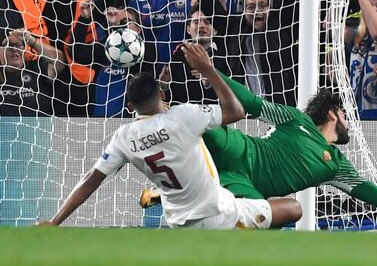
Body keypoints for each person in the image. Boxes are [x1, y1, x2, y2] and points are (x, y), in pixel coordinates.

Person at [139, 71, 377, 232]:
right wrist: (213, 72)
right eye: (345, 115)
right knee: (204, 123)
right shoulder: (295, 120)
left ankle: (177, 188)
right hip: (242, 151)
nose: (348, 123)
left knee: (276, 217)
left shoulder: (338, 167)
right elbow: (251, 103)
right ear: (332, 114)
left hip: (239, 183)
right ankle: (157, 113)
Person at [37, 44, 302, 229]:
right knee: (293, 208)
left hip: (179, 222)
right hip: (219, 216)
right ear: (162, 95)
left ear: (129, 106)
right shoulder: (185, 115)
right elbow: (236, 110)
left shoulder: (124, 137)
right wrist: (208, 69)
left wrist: (54, 221)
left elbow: (90, 180)